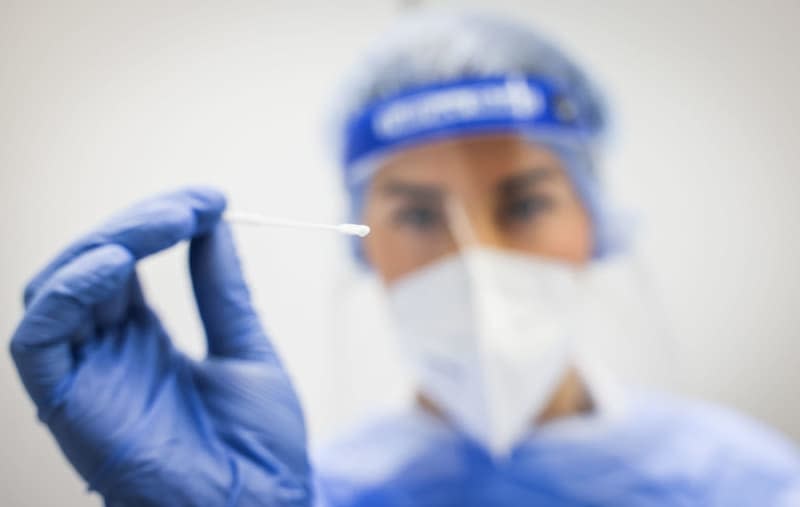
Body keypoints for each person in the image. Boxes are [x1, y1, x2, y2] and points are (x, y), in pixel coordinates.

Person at [9, 10, 800, 507]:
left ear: (598, 222)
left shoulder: (750, 483)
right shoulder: (306, 493)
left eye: (524, 204)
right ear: (366, 246)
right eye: (418, 214)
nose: (476, 262)